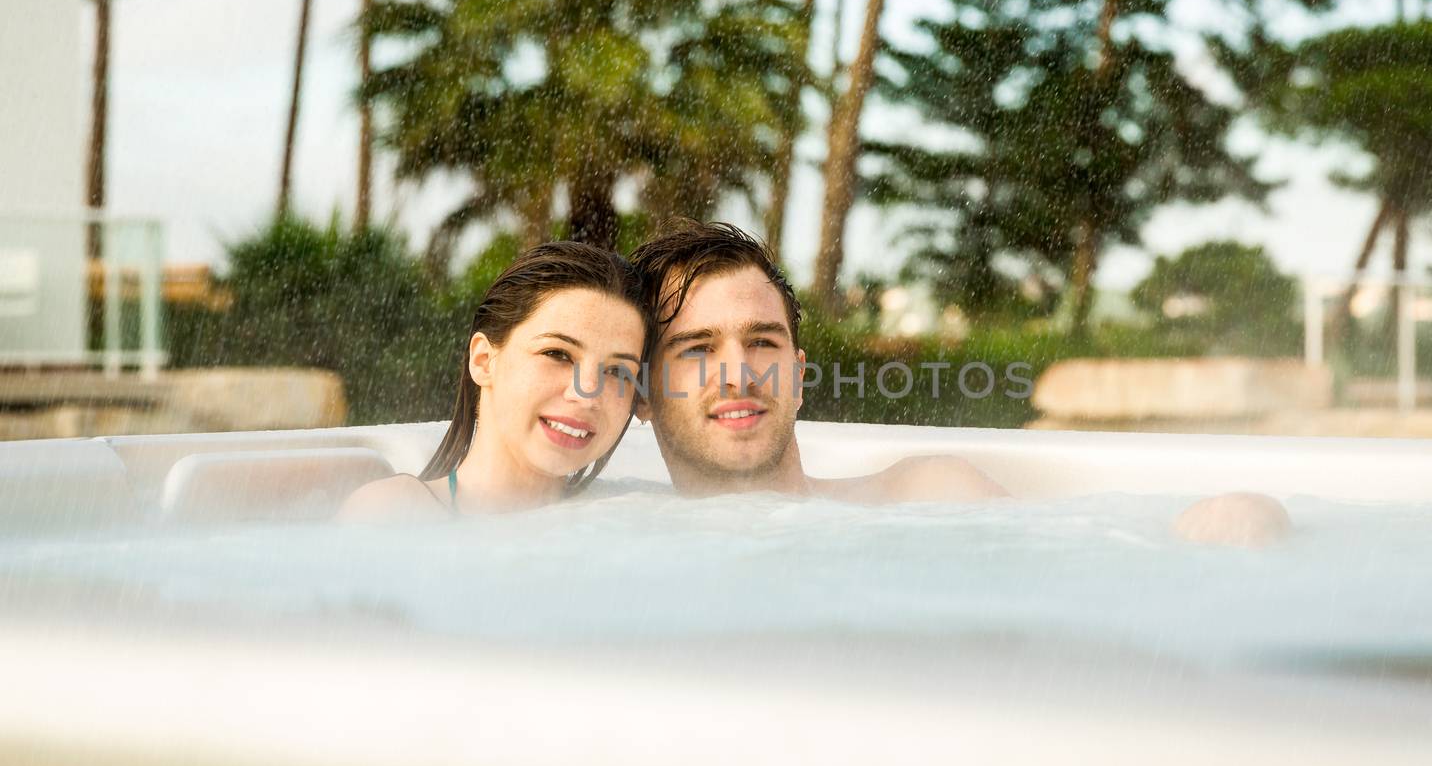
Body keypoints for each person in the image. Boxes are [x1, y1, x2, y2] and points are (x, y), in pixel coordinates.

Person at [628, 219, 1291, 543]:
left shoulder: (922, 493)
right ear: (642, 396)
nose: (739, 372)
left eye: (762, 341)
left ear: (798, 378)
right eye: (695, 349)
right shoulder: (615, 532)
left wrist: (1235, 519)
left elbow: (1101, 560)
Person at [338, 242, 650, 521]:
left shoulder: (633, 517)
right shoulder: (395, 511)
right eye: (558, 354)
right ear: (483, 361)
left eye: (617, 372)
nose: (586, 394)